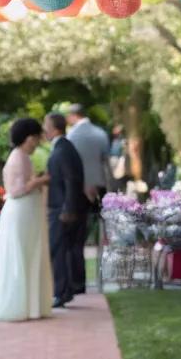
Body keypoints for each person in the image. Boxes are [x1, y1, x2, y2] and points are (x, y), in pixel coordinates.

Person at [0, 118, 53, 322]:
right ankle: (21, 304)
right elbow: (15, 191)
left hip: (26, 213)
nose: (38, 142)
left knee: (29, 253)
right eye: (36, 138)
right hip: (21, 212)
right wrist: (40, 181)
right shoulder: (18, 157)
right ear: (28, 138)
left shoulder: (23, 157)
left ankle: (31, 305)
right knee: (21, 255)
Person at [43, 112, 87, 308]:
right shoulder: (64, 147)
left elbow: (71, 180)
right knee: (63, 249)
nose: (44, 129)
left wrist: (68, 208)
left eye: (46, 125)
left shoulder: (63, 149)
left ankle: (60, 292)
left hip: (62, 208)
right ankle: (66, 290)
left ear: (54, 128)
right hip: (62, 206)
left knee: (58, 250)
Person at [65, 103, 110, 295]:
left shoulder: (72, 135)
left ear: (74, 116)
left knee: (75, 239)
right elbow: (105, 161)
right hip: (99, 189)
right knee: (95, 235)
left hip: (78, 190)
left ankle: (77, 282)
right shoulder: (100, 134)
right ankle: (96, 280)